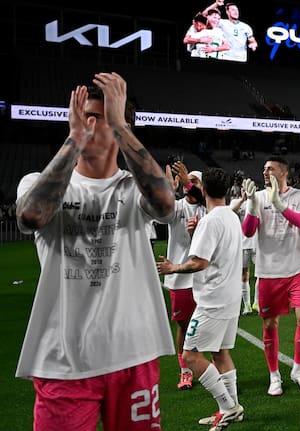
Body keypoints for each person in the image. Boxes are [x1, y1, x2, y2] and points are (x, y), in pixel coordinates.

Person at [14, 72, 176, 430]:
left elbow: (166, 206)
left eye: (99, 117)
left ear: (122, 126)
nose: (88, 122)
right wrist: (74, 141)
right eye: (83, 114)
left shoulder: (133, 188)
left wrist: (119, 125)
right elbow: (30, 216)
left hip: (134, 353)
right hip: (63, 360)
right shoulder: (40, 182)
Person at [156, 167, 245, 431]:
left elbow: (199, 263)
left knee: (191, 356)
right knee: (220, 353)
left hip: (212, 301)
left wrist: (174, 268)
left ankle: (228, 407)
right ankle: (231, 410)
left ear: (203, 190)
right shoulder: (230, 217)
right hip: (230, 298)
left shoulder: (209, 220)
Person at [241, 157, 300, 396]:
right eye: (263, 168)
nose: (265, 171)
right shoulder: (259, 196)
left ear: (283, 173)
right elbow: (248, 231)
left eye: (270, 168)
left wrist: (280, 204)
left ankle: (298, 370)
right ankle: (274, 375)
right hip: (268, 271)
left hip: (297, 268)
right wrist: (252, 206)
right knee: (270, 324)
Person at [158, 161, 207, 390]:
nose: (192, 185)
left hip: (204, 277)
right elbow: (163, 214)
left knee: (205, 324)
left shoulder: (208, 209)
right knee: (183, 325)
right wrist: (169, 190)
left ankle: (205, 365)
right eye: (190, 181)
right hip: (179, 277)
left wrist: (186, 182)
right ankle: (185, 370)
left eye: (195, 182)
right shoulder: (176, 207)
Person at [230, 183, 259, 315]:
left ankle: (257, 302)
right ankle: (246, 305)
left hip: (257, 243)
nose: (245, 191)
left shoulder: (258, 200)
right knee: (244, 275)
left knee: (261, 273)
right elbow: (230, 211)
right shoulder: (236, 202)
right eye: (243, 189)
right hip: (241, 244)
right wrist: (242, 199)